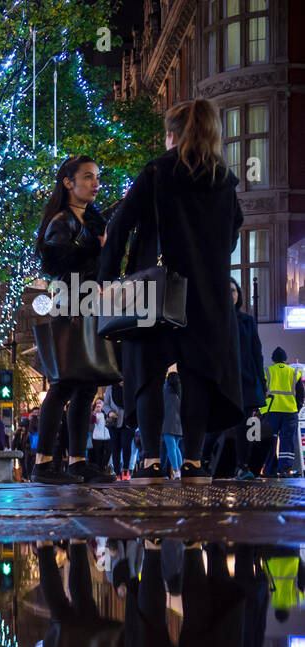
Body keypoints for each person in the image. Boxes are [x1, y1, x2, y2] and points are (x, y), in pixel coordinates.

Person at [99, 99, 244, 485]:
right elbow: (231, 236)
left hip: (157, 288)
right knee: (197, 375)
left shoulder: (159, 171)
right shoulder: (225, 182)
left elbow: (120, 223)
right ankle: (194, 463)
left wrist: (107, 280)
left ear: (173, 135)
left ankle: (149, 461)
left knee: (147, 372)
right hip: (208, 293)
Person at [32, 155, 117, 485]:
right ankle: (44, 463)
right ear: (68, 183)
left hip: (91, 301)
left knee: (86, 383)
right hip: (70, 302)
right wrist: (94, 249)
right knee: (65, 382)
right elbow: (54, 263)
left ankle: (77, 460)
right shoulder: (62, 221)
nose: (95, 183)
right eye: (87, 177)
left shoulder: (93, 221)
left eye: (97, 177)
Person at [228, 279, 266, 481]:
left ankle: (243, 466)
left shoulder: (248, 321)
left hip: (248, 381)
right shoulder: (217, 320)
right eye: (227, 291)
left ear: (239, 294)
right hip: (226, 380)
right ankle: (210, 463)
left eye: (234, 290)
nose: (231, 294)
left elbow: (257, 353)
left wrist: (262, 383)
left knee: (248, 426)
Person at [261, 346, 300, 479]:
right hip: (290, 411)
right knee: (287, 439)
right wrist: (297, 407)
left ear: (273, 359)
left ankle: (269, 469)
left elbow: (262, 391)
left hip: (271, 411)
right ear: (285, 359)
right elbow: (300, 393)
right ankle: (285, 469)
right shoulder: (294, 372)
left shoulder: (267, 371)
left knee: (270, 440)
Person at [102, 384, 128, 478]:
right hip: (114, 423)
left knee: (126, 446)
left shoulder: (130, 384)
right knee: (115, 448)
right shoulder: (110, 387)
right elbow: (105, 405)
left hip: (128, 421)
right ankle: (117, 473)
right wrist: (109, 412)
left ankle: (126, 471)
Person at [161, 371, 184, 478]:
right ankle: (180, 469)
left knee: (171, 448)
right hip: (179, 424)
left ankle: (176, 471)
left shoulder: (165, 390)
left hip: (167, 423)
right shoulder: (179, 391)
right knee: (177, 448)